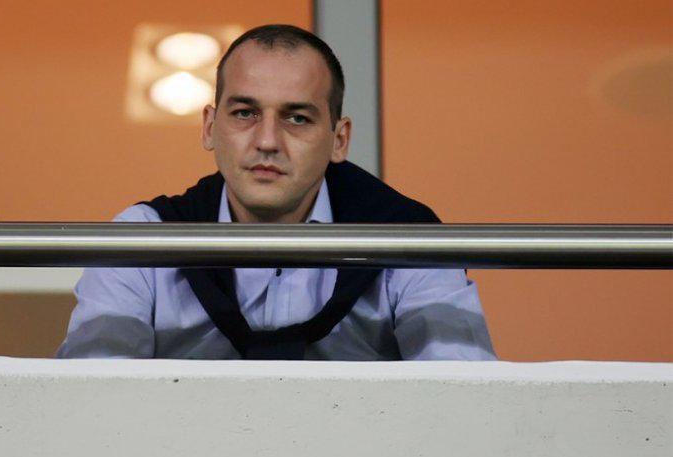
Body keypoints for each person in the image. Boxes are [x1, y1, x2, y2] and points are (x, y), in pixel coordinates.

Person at [57, 24, 496, 360]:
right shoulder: (142, 239)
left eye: (297, 118)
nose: (267, 141)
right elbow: (92, 403)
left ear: (339, 139)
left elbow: (465, 397)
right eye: (244, 113)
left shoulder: (406, 237)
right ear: (209, 127)